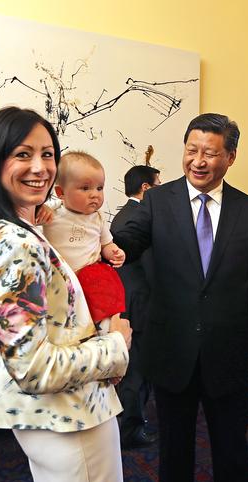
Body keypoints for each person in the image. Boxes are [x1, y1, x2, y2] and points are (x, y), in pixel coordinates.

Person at [0, 107, 132, 482]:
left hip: (59, 412)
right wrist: (116, 346)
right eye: (22, 154)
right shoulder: (10, 242)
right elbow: (36, 369)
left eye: (48, 154)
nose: (40, 167)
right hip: (66, 414)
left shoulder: (6, 224)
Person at [112, 113, 248, 482]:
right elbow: (126, 240)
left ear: (230, 157)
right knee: (174, 450)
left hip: (230, 352)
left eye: (210, 152)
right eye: (192, 150)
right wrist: (88, 230)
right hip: (171, 350)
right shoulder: (157, 202)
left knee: (232, 448)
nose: (198, 161)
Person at [41, 151, 126, 333]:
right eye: (86, 188)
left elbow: (106, 244)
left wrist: (114, 251)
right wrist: (41, 210)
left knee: (103, 279)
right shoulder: (52, 213)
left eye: (100, 188)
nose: (95, 195)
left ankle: (105, 325)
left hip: (90, 271)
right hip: (61, 276)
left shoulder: (98, 218)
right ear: (61, 193)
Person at [110, 165, 160, 448]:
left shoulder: (122, 215)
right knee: (136, 373)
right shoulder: (138, 218)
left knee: (138, 371)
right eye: (157, 184)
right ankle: (132, 430)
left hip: (131, 302)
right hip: (138, 305)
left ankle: (134, 422)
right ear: (145, 188)